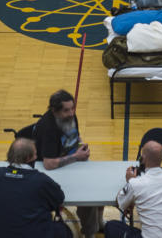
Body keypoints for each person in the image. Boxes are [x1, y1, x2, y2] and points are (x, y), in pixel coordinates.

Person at [33, 90, 102, 238]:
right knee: (87, 196)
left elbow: (75, 136)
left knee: (97, 186)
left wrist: (80, 145)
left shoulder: (70, 116)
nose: (71, 113)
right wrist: (77, 157)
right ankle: (90, 232)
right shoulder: (48, 127)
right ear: (54, 111)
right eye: (66, 110)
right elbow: (49, 164)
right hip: (52, 171)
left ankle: (98, 223)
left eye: (73, 108)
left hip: (70, 161)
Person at [0, 138, 67, 238]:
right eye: (35, 154)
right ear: (29, 158)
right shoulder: (41, 181)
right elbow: (59, 198)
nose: (37, 157)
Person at [103, 141, 162, 238]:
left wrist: (130, 181)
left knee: (111, 226)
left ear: (143, 159)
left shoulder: (135, 184)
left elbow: (120, 202)